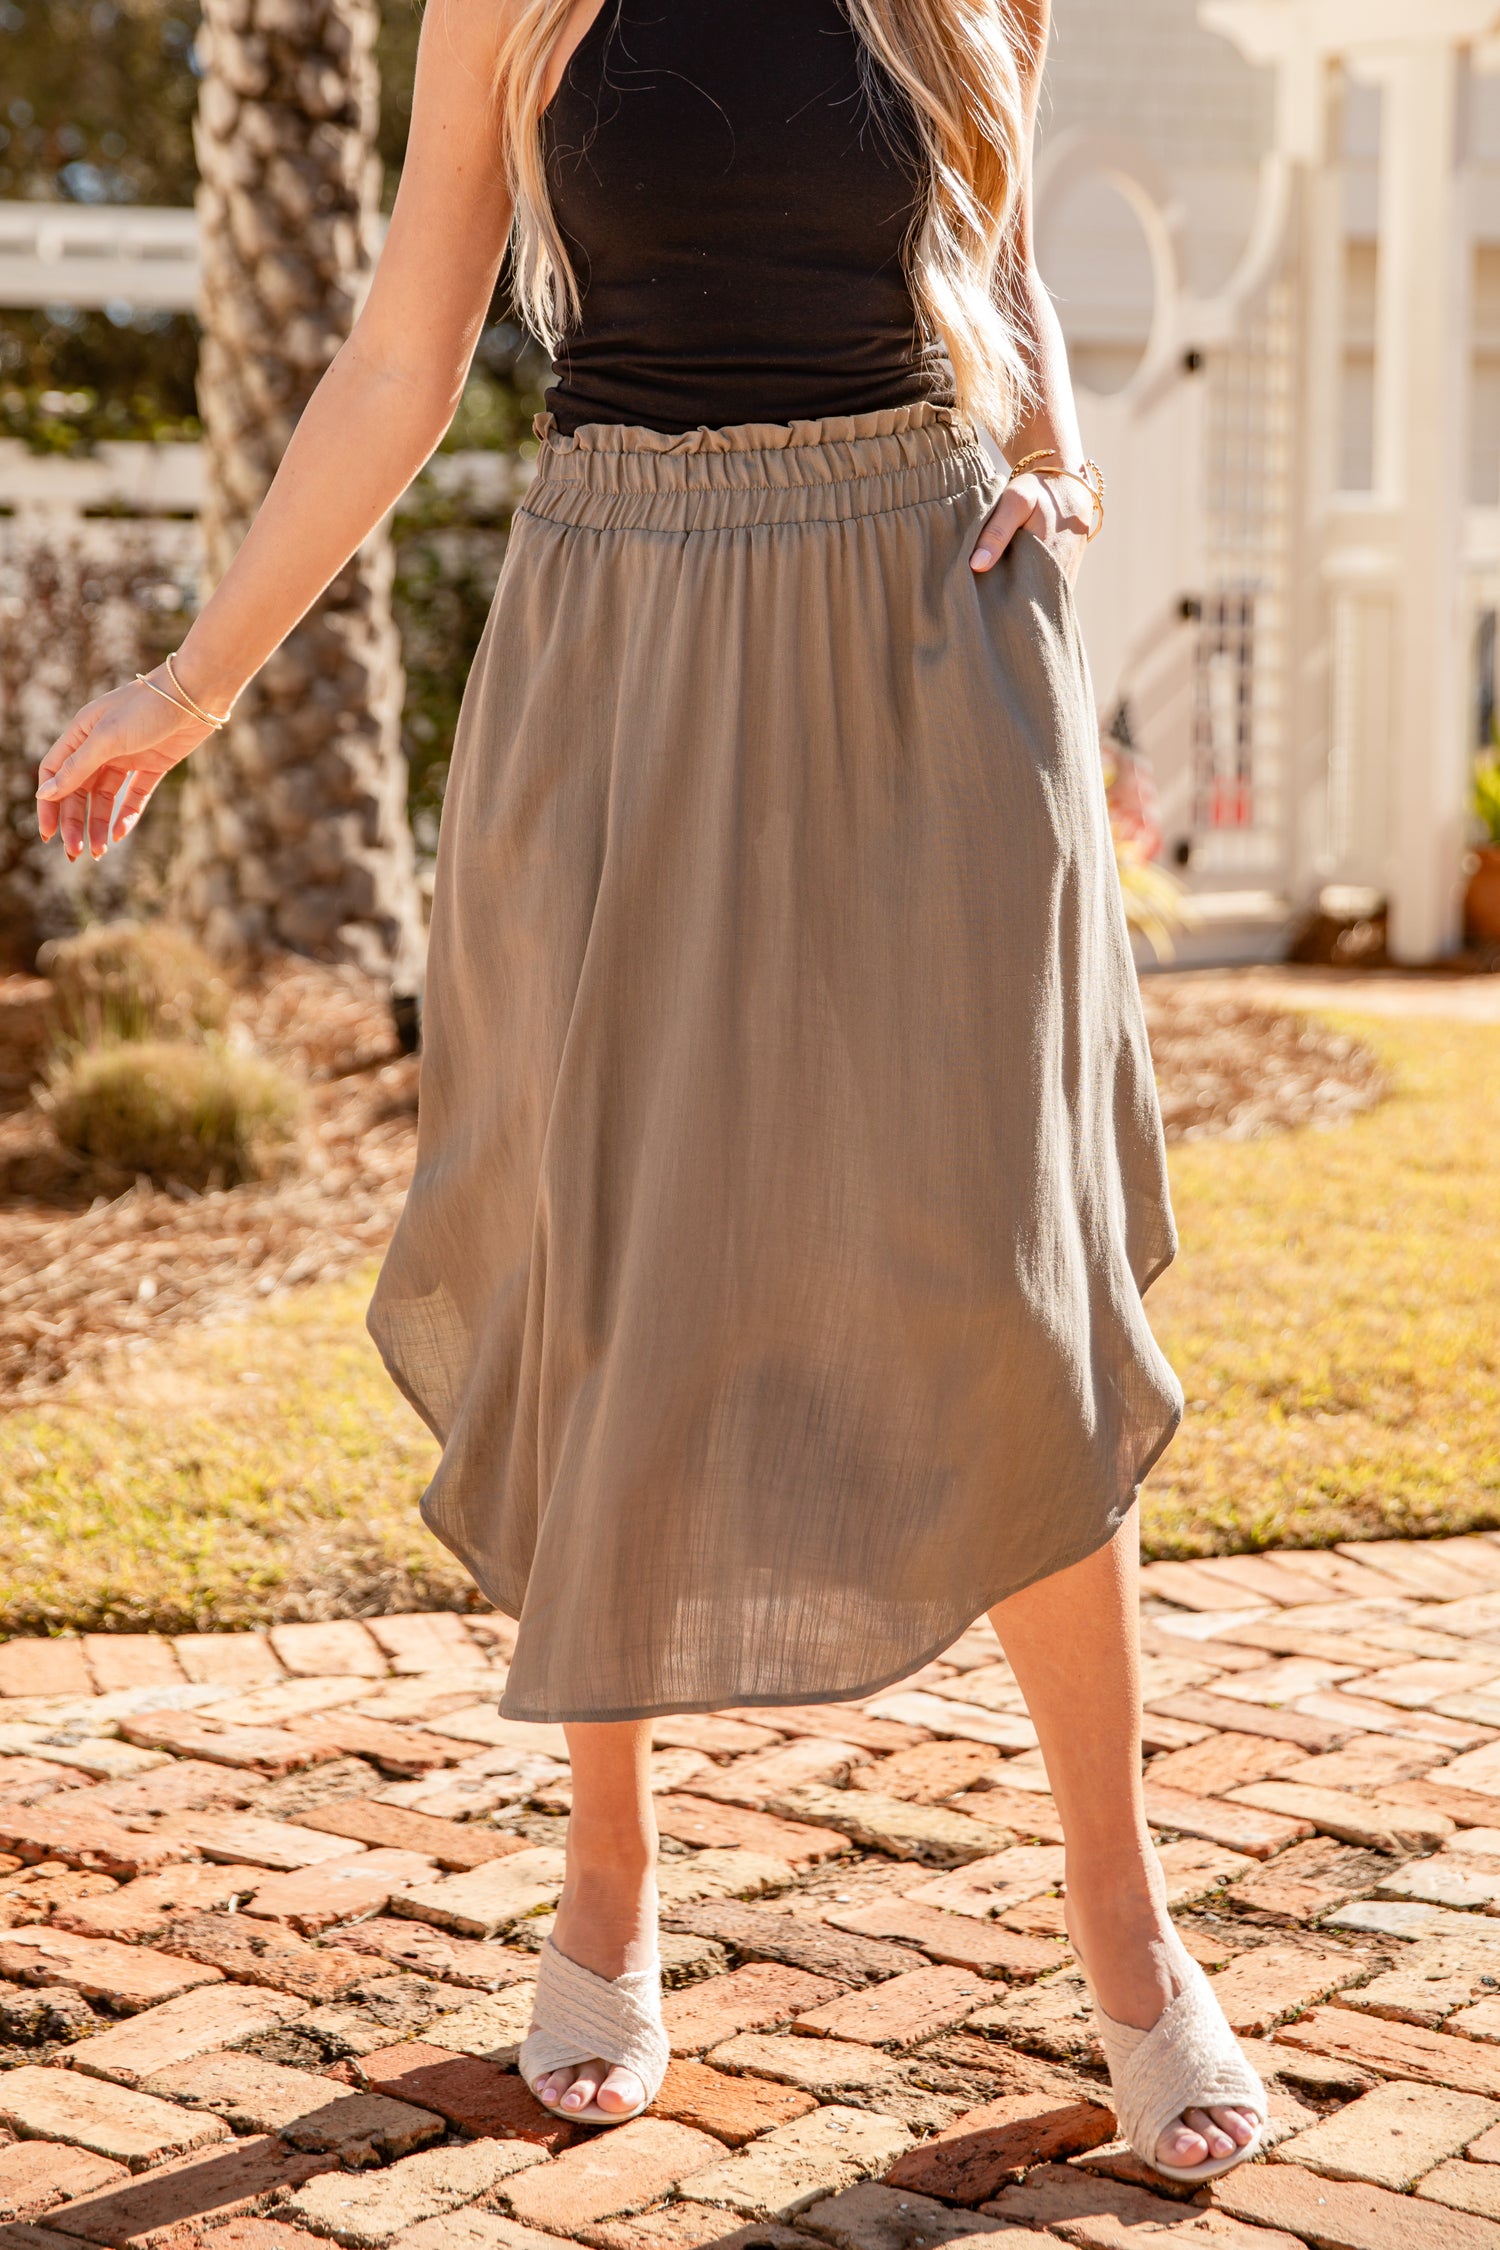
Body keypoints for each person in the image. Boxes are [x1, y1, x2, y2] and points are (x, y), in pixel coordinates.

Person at [34, 0, 1265, 2180]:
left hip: (924, 623)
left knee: (1017, 1288)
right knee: (618, 1268)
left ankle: (1134, 1940)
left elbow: (1004, 261)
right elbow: (405, 356)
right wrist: (202, 673)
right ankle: (607, 1883)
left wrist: (1060, 467)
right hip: (622, 634)